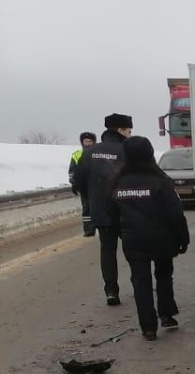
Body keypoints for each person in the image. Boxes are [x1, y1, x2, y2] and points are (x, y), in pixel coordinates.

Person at [105, 136, 189, 341]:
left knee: (140, 282)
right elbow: (175, 213)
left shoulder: (117, 183)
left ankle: (148, 327)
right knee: (163, 275)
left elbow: (112, 215)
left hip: (133, 240)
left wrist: (121, 235)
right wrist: (182, 238)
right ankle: (167, 315)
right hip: (162, 238)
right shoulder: (160, 181)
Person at [74, 113, 132, 305]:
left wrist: (93, 199)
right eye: (129, 130)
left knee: (108, 250)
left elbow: (79, 181)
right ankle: (139, 283)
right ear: (120, 130)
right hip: (126, 209)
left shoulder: (90, 152)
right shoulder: (128, 149)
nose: (130, 134)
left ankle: (111, 291)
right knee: (133, 248)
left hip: (102, 210)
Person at [69, 132, 97, 235]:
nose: (88, 143)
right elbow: (72, 171)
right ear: (82, 142)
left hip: (97, 186)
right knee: (86, 208)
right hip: (84, 186)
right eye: (86, 141)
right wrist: (73, 183)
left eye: (90, 141)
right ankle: (89, 230)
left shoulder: (98, 154)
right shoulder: (77, 154)